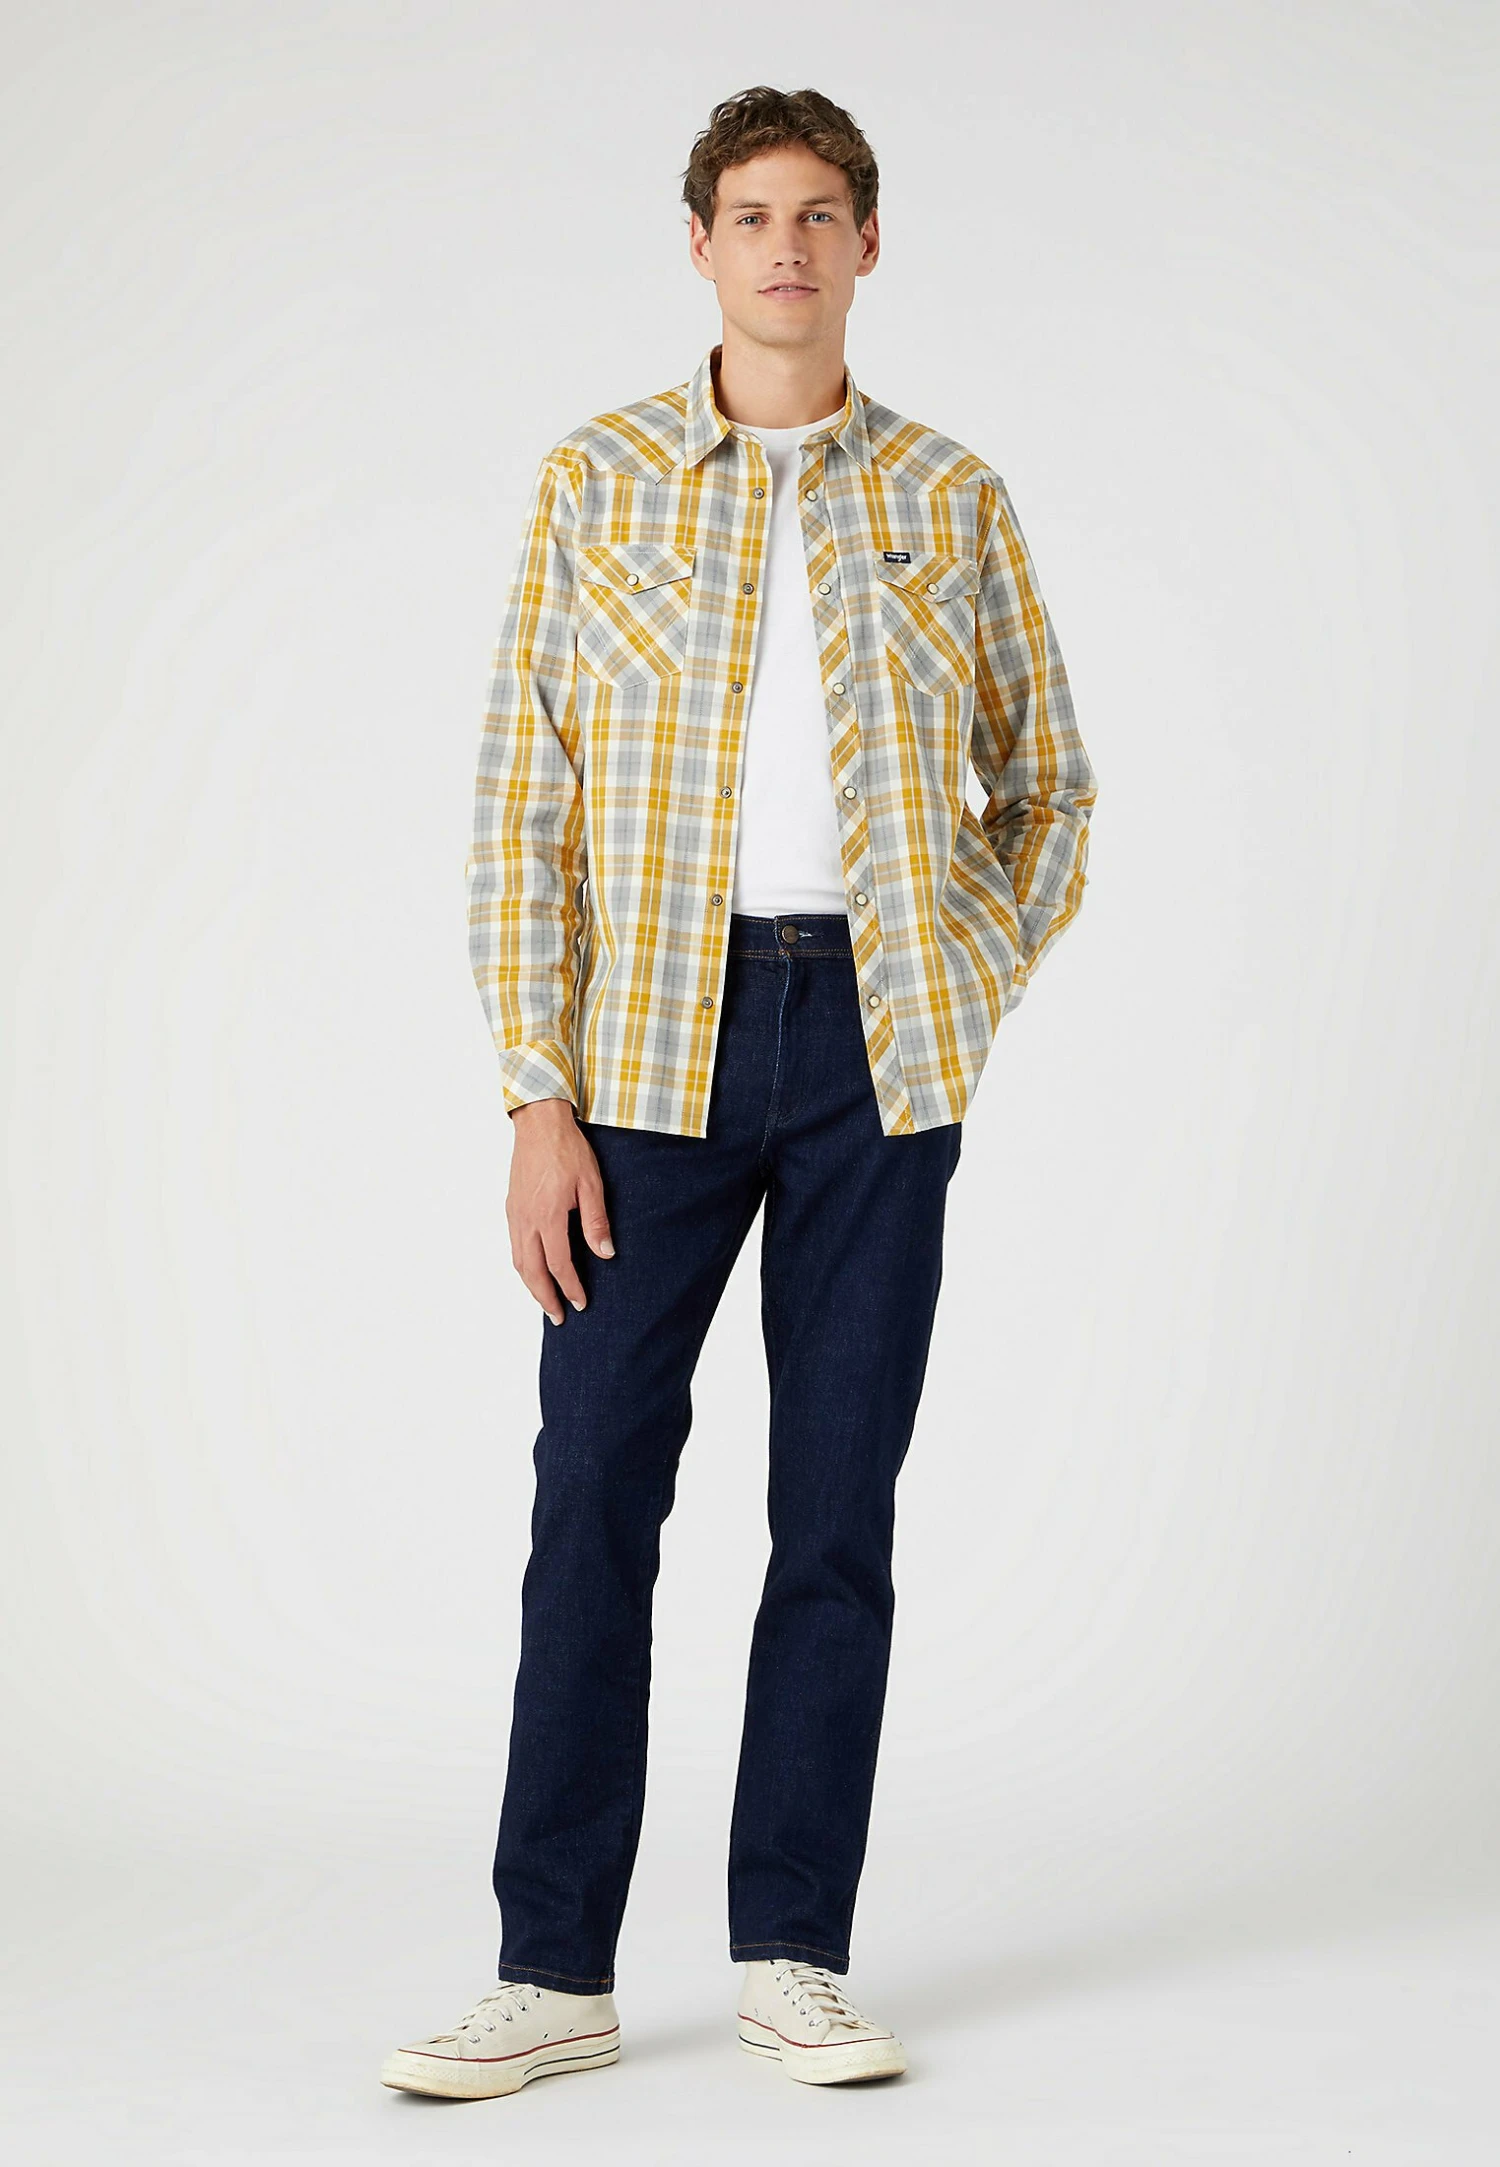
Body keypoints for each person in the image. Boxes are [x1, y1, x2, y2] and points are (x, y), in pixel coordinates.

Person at [381, 82, 1097, 2102]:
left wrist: (958, 984)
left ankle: (795, 1951)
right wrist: (534, 1094)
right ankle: (551, 1969)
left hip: (879, 1050)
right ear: (698, 246)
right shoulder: (596, 479)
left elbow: (1050, 788)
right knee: (592, 1494)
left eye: (821, 213)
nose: (788, 245)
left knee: (836, 1511)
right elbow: (523, 802)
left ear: (869, 245)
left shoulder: (952, 495)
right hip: (643, 1059)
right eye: (753, 214)